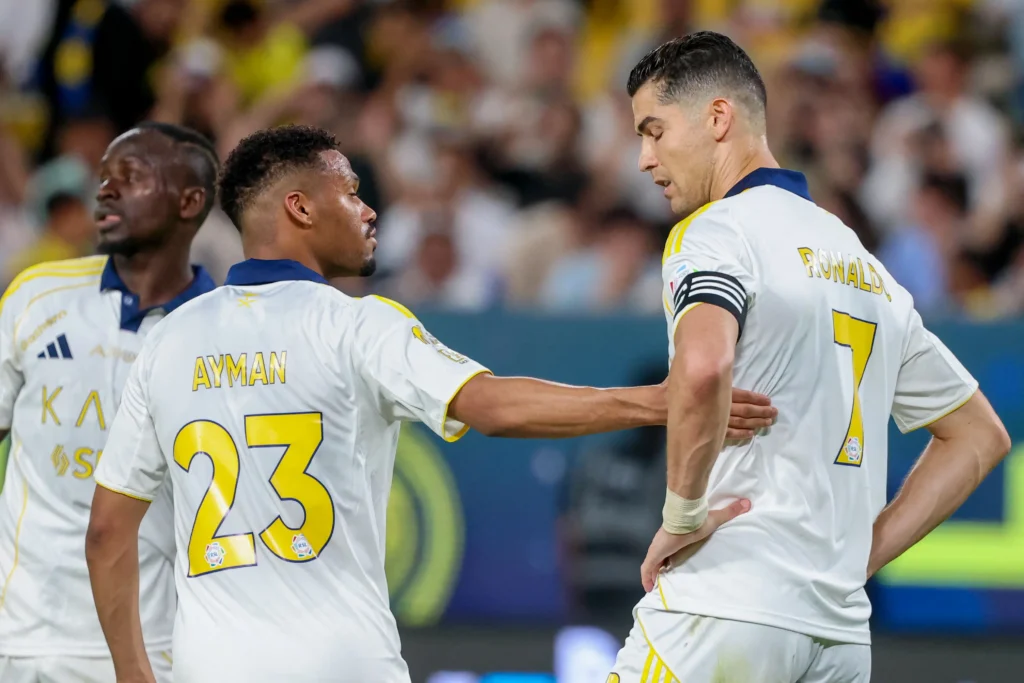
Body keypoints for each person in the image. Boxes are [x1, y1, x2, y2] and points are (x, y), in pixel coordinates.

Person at [83, 124, 776, 683]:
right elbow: (493, 407)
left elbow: (109, 534)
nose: (369, 209)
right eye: (351, 192)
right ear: (300, 208)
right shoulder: (356, 324)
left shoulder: (168, 341)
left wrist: (133, 673)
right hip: (344, 665)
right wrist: (660, 401)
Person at [609, 32, 1011, 683]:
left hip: (725, 608)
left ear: (718, 118)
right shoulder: (863, 264)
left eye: (654, 131)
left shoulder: (715, 232)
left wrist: (681, 516)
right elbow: (979, 436)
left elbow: (703, 368)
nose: (643, 159)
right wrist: (858, 561)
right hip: (839, 636)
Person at [0, 122, 220, 682]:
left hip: (155, 651)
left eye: (132, 175)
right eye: (103, 177)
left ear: (190, 202)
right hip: (21, 642)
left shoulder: (222, 333)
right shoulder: (35, 296)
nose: (105, 189)